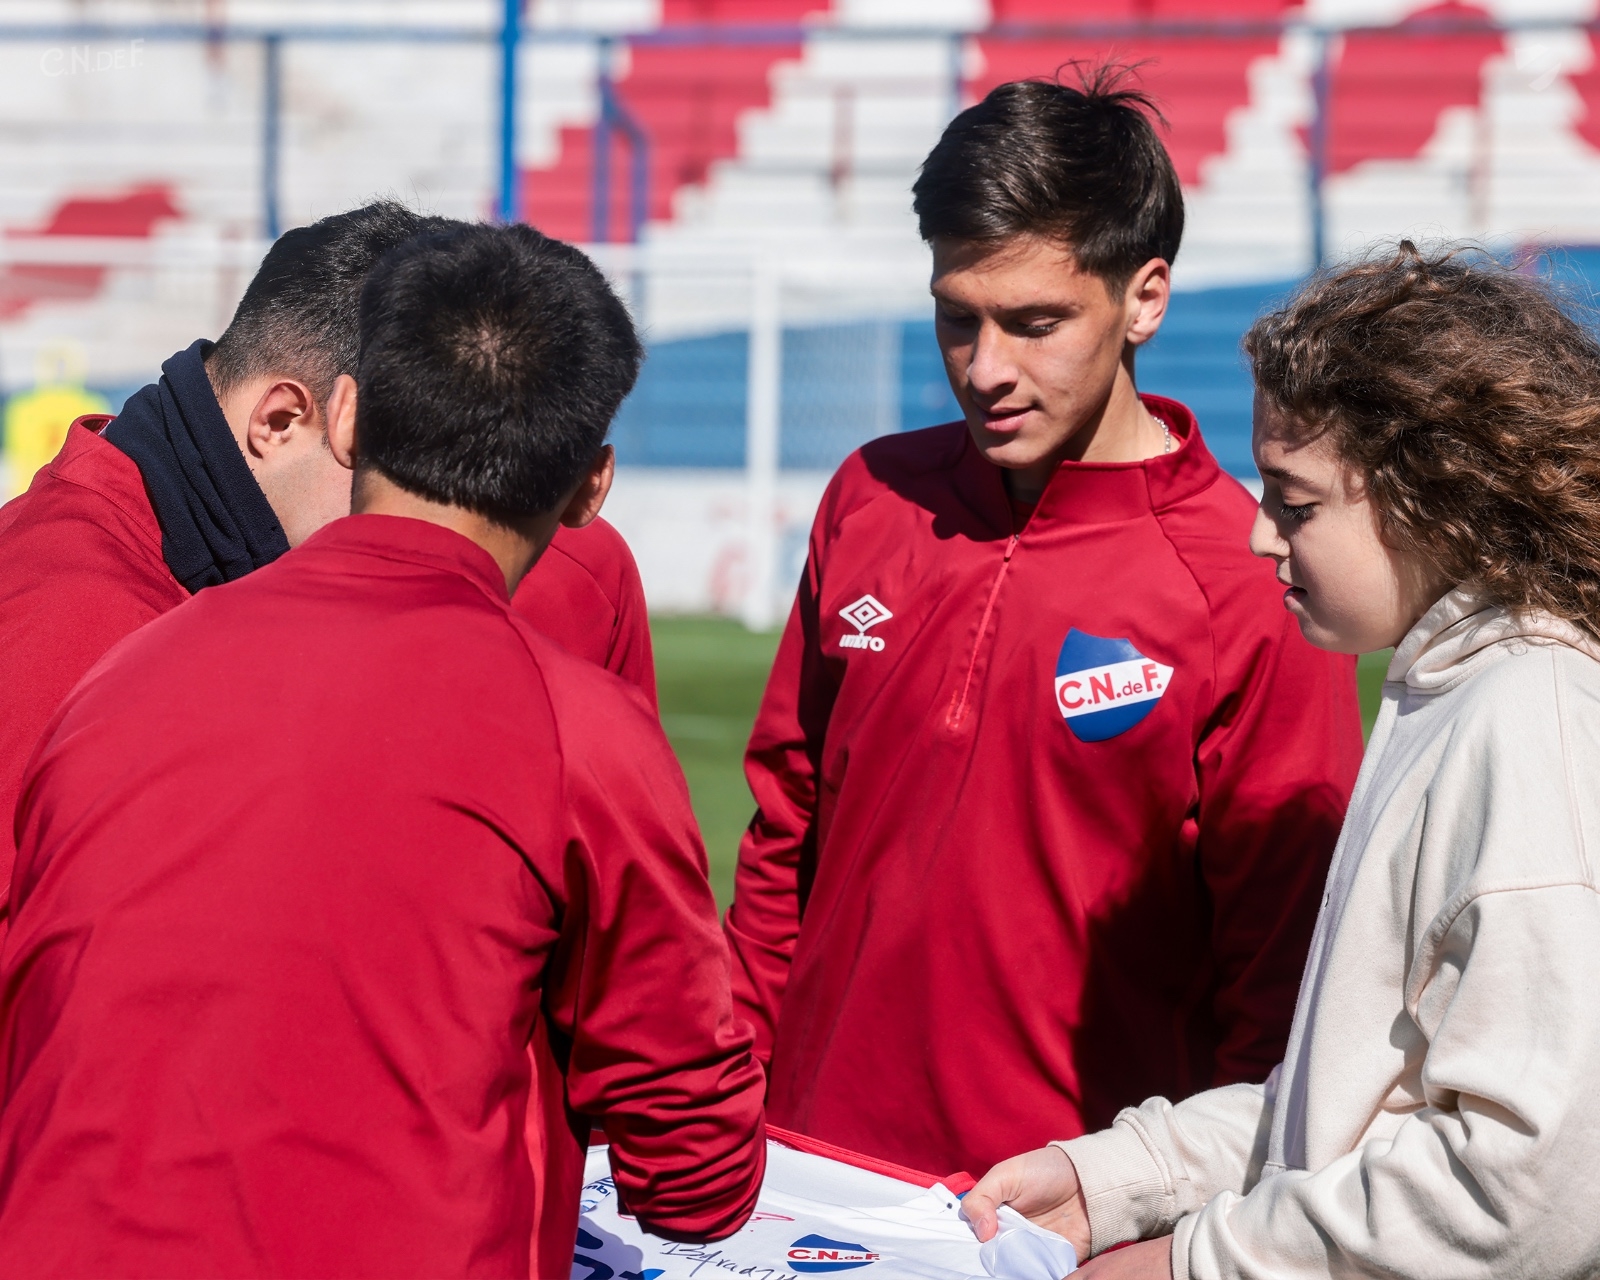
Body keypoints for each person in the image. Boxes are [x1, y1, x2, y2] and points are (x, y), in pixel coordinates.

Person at [0, 222, 764, 1277]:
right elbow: (696, 1175)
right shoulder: (578, 728)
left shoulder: (129, 662)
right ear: (593, 487)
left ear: (349, 414)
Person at [723, 72, 1363, 1180]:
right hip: (805, 1168)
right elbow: (785, 832)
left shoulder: (1249, 576)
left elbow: (1280, 971)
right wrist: (727, 1099)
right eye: (956, 317)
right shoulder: (870, 495)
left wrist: (1176, 1210)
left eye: (1035, 324)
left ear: (1144, 300)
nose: (986, 369)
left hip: (1063, 1209)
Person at [962, 243, 1600, 1280]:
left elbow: (1531, 1194)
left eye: (1294, 502)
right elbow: (1352, 1097)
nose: (1261, 536)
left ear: (1434, 494)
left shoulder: (1531, 724)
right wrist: (1118, 1177)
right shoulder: (1455, 690)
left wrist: (1194, 1262)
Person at [0, 200, 654, 932]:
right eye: (388, 456)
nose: (430, 505)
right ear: (282, 421)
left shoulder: (567, 567)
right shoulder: (59, 620)